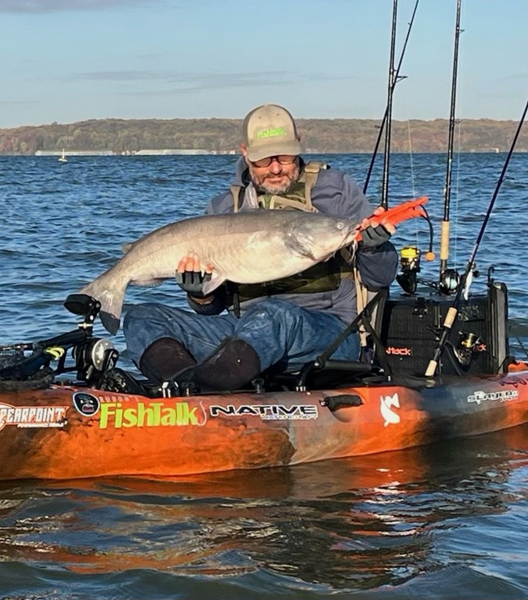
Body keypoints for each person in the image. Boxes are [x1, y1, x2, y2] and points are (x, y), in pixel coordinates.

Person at [122, 104, 398, 392]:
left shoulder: (336, 190)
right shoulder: (224, 209)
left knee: (274, 314)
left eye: (284, 157)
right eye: (263, 160)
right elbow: (212, 308)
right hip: (245, 336)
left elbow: (380, 278)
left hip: (328, 334)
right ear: (245, 152)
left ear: (299, 145)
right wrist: (198, 294)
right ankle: (184, 389)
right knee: (142, 319)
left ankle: (212, 389)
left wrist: (373, 247)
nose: (275, 168)